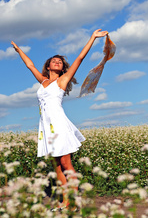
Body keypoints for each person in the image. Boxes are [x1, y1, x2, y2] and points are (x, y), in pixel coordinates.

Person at [11, 29, 108, 208]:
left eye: (59, 62)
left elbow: (79, 58)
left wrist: (92, 38)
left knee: (65, 162)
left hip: (59, 124)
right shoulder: (43, 81)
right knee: (57, 166)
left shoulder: (62, 81)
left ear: (62, 68)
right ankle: (66, 201)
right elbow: (30, 66)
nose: (56, 62)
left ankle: (74, 199)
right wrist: (19, 51)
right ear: (48, 67)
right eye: (53, 61)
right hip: (46, 127)